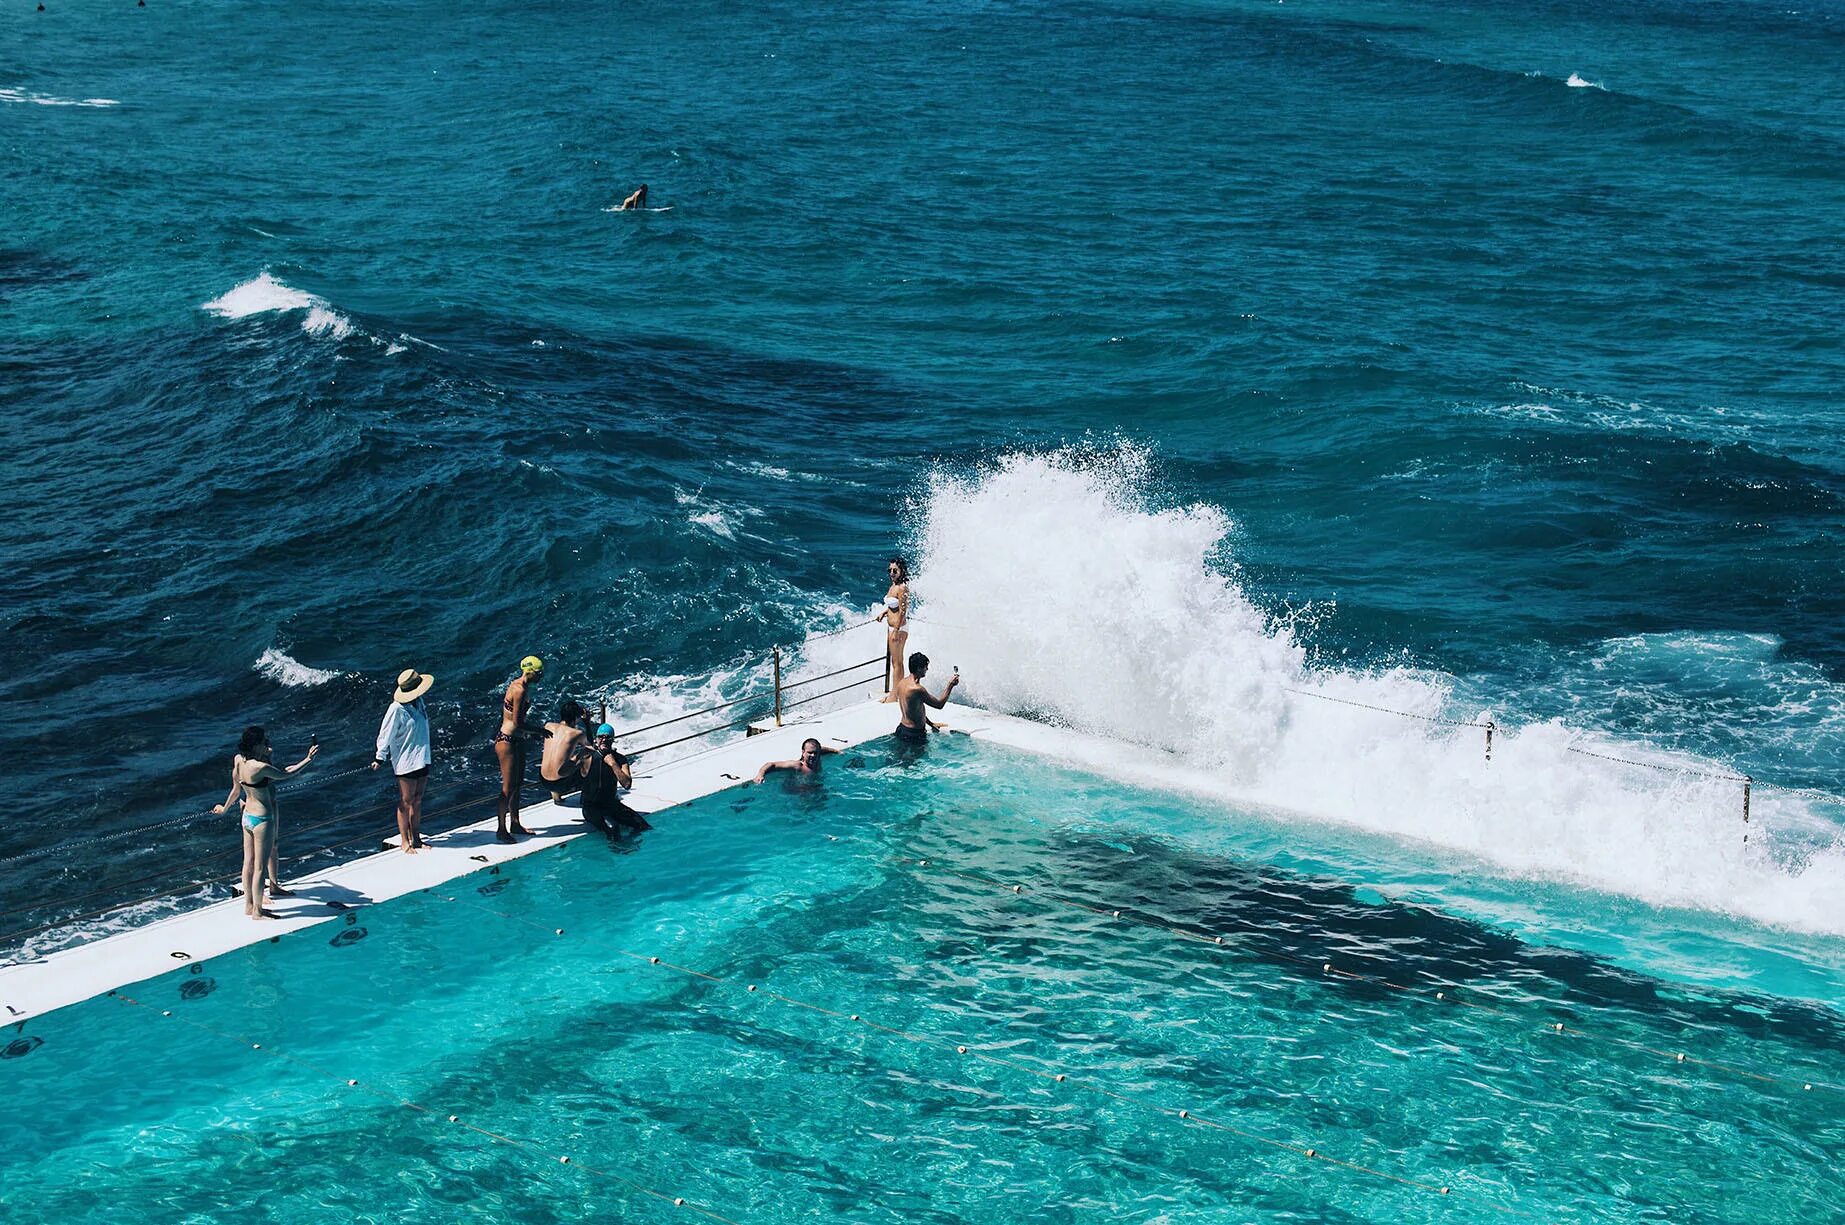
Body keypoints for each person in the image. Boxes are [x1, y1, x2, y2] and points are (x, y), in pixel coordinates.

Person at [213, 726, 317, 920]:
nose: (266, 744)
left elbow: (236, 790)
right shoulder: (260, 768)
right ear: (256, 745)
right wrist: (308, 759)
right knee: (260, 867)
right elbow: (286, 774)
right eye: (263, 742)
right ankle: (258, 912)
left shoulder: (238, 761)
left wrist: (224, 809)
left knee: (248, 863)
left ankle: (249, 906)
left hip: (246, 817)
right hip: (262, 818)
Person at [371, 667, 434, 854]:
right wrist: (379, 757)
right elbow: (386, 733)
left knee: (418, 800)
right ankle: (405, 841)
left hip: (422, 758)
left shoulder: (419, 701)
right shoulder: (396, 708)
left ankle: (417, 838)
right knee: (406, 802)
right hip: (406, 761)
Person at [493, 656, 548, 842]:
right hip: (507, 741)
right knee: (507, 788)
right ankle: (501, 829)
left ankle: (515, 823)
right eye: (539, 674)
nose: (541, 677)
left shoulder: (521, 686)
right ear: (530, 672)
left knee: (517, 785)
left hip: (517, 740)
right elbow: (517, 722)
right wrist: (539, 730)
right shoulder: (519, 690)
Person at [581, 723, 650, 834]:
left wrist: (613, 764)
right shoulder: (588, 758)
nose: (603, 740)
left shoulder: (620, 760)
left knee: (642, 825)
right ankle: (617, 850)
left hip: (611, 804)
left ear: (612, 739)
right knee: (613, 828)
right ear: (596, 740)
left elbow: (627, 785)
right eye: (600, 737)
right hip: (591, 807)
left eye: (607, 737)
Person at [891, 652, 959, 748]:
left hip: (902, 729)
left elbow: (914, 711)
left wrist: (931, 724)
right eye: (925, 667)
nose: (927, 669)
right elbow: (939, 704)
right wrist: (950, 685)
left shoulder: (902, 683)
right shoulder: (917, 689)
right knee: (915, 762)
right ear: (919, 668)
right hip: (914, 735)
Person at [540, 699, 593, 802]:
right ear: (576, 718)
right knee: (587, 758)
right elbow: (590, 746)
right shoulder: (577, 733)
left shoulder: (548, 725)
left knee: (557, 759)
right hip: (561, 784)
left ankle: (556, 797)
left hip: (544, 781)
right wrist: (587, 723)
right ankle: (587, 798)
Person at [874, 556, 910, 698]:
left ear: (901, 571)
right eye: (890, 570)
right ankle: (896, 692)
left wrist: (895, 630)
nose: (892, 573)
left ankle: (895, 695)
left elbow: (903, 610)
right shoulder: (893, 586)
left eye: (895, 570)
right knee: (895, 662)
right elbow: (892, 605)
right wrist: (884, 613)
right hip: (893, 627)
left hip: (899, 629)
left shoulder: (902, 588)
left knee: (897, 663)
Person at [753, 737, 839, 783]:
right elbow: (771, 764)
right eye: (810, 753)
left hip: (814, 785)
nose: (813, 755)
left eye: (815, 753)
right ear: (803, 752)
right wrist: (760, 774)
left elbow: (823, 749)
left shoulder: (817, 757)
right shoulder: (797, 766)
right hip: (797, 791)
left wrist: (836, 751)